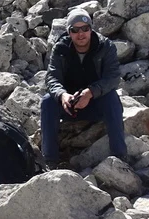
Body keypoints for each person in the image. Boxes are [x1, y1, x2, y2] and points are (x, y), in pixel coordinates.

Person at [39, 9, 127, 167]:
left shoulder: (105, 46)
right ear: (69, 32)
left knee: (112, 98)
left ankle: (120, 157)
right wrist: (63, 96)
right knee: (47, 102)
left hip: (96, 102)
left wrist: (91, 92)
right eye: (75, 30)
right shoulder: (61, 49)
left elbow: (113, 78)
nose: (81, 34)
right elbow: (52, 78)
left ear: (91, 29)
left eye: (85, 28)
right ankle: (50, 161)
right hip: (69, 105)